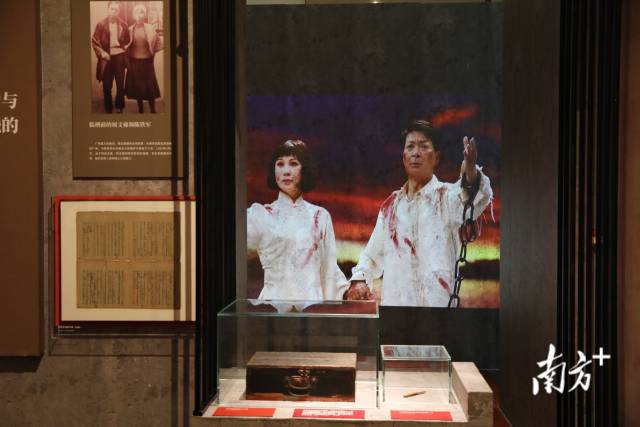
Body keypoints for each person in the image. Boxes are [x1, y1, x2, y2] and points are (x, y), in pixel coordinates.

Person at [345, 119, 493, 307]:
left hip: (438, 312)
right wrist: (359, 280)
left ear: (436, 157)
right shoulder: (390, 207)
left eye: (424, 146)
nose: (416, 153)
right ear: (403, 157)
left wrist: (470, 173)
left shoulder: (447, 197)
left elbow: (475, 196)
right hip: (396, 309)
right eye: (410, 147)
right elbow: (371, 256)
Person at [247, 140, 349, 301]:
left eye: (293, 164)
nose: (286, 171)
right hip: (272, 307)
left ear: (305, 170)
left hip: (312, 306)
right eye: (280, 164)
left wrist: (348, 292)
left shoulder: (320, 216)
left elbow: (329, 270)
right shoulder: (260, 215)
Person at [91, 1, 130, 114]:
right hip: (106, 58)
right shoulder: (101, 24)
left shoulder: (123, 24)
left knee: (120, 84)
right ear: (108, 9)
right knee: (107, 85)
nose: (114, 11)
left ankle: (119, 106)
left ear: (119, 11)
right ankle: (108, 107)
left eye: (116, 10)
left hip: (120, 57)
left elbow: (127, 40)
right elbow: (95, 42)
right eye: (112, 9)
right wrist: (102, 53)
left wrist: (124, 47)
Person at [125, 4, 163, 114]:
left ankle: (152, 109)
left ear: (144, 15)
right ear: (134, 15)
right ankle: (140, 108)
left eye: (141, 12)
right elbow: (126, 44)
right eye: (137, 12)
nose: (139, 15)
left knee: (150, 86)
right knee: (138, 87)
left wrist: (153, 52)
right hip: (134, 61)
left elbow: (158, 42)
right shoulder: (130, 29)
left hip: (147, 61)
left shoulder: (150, 28)